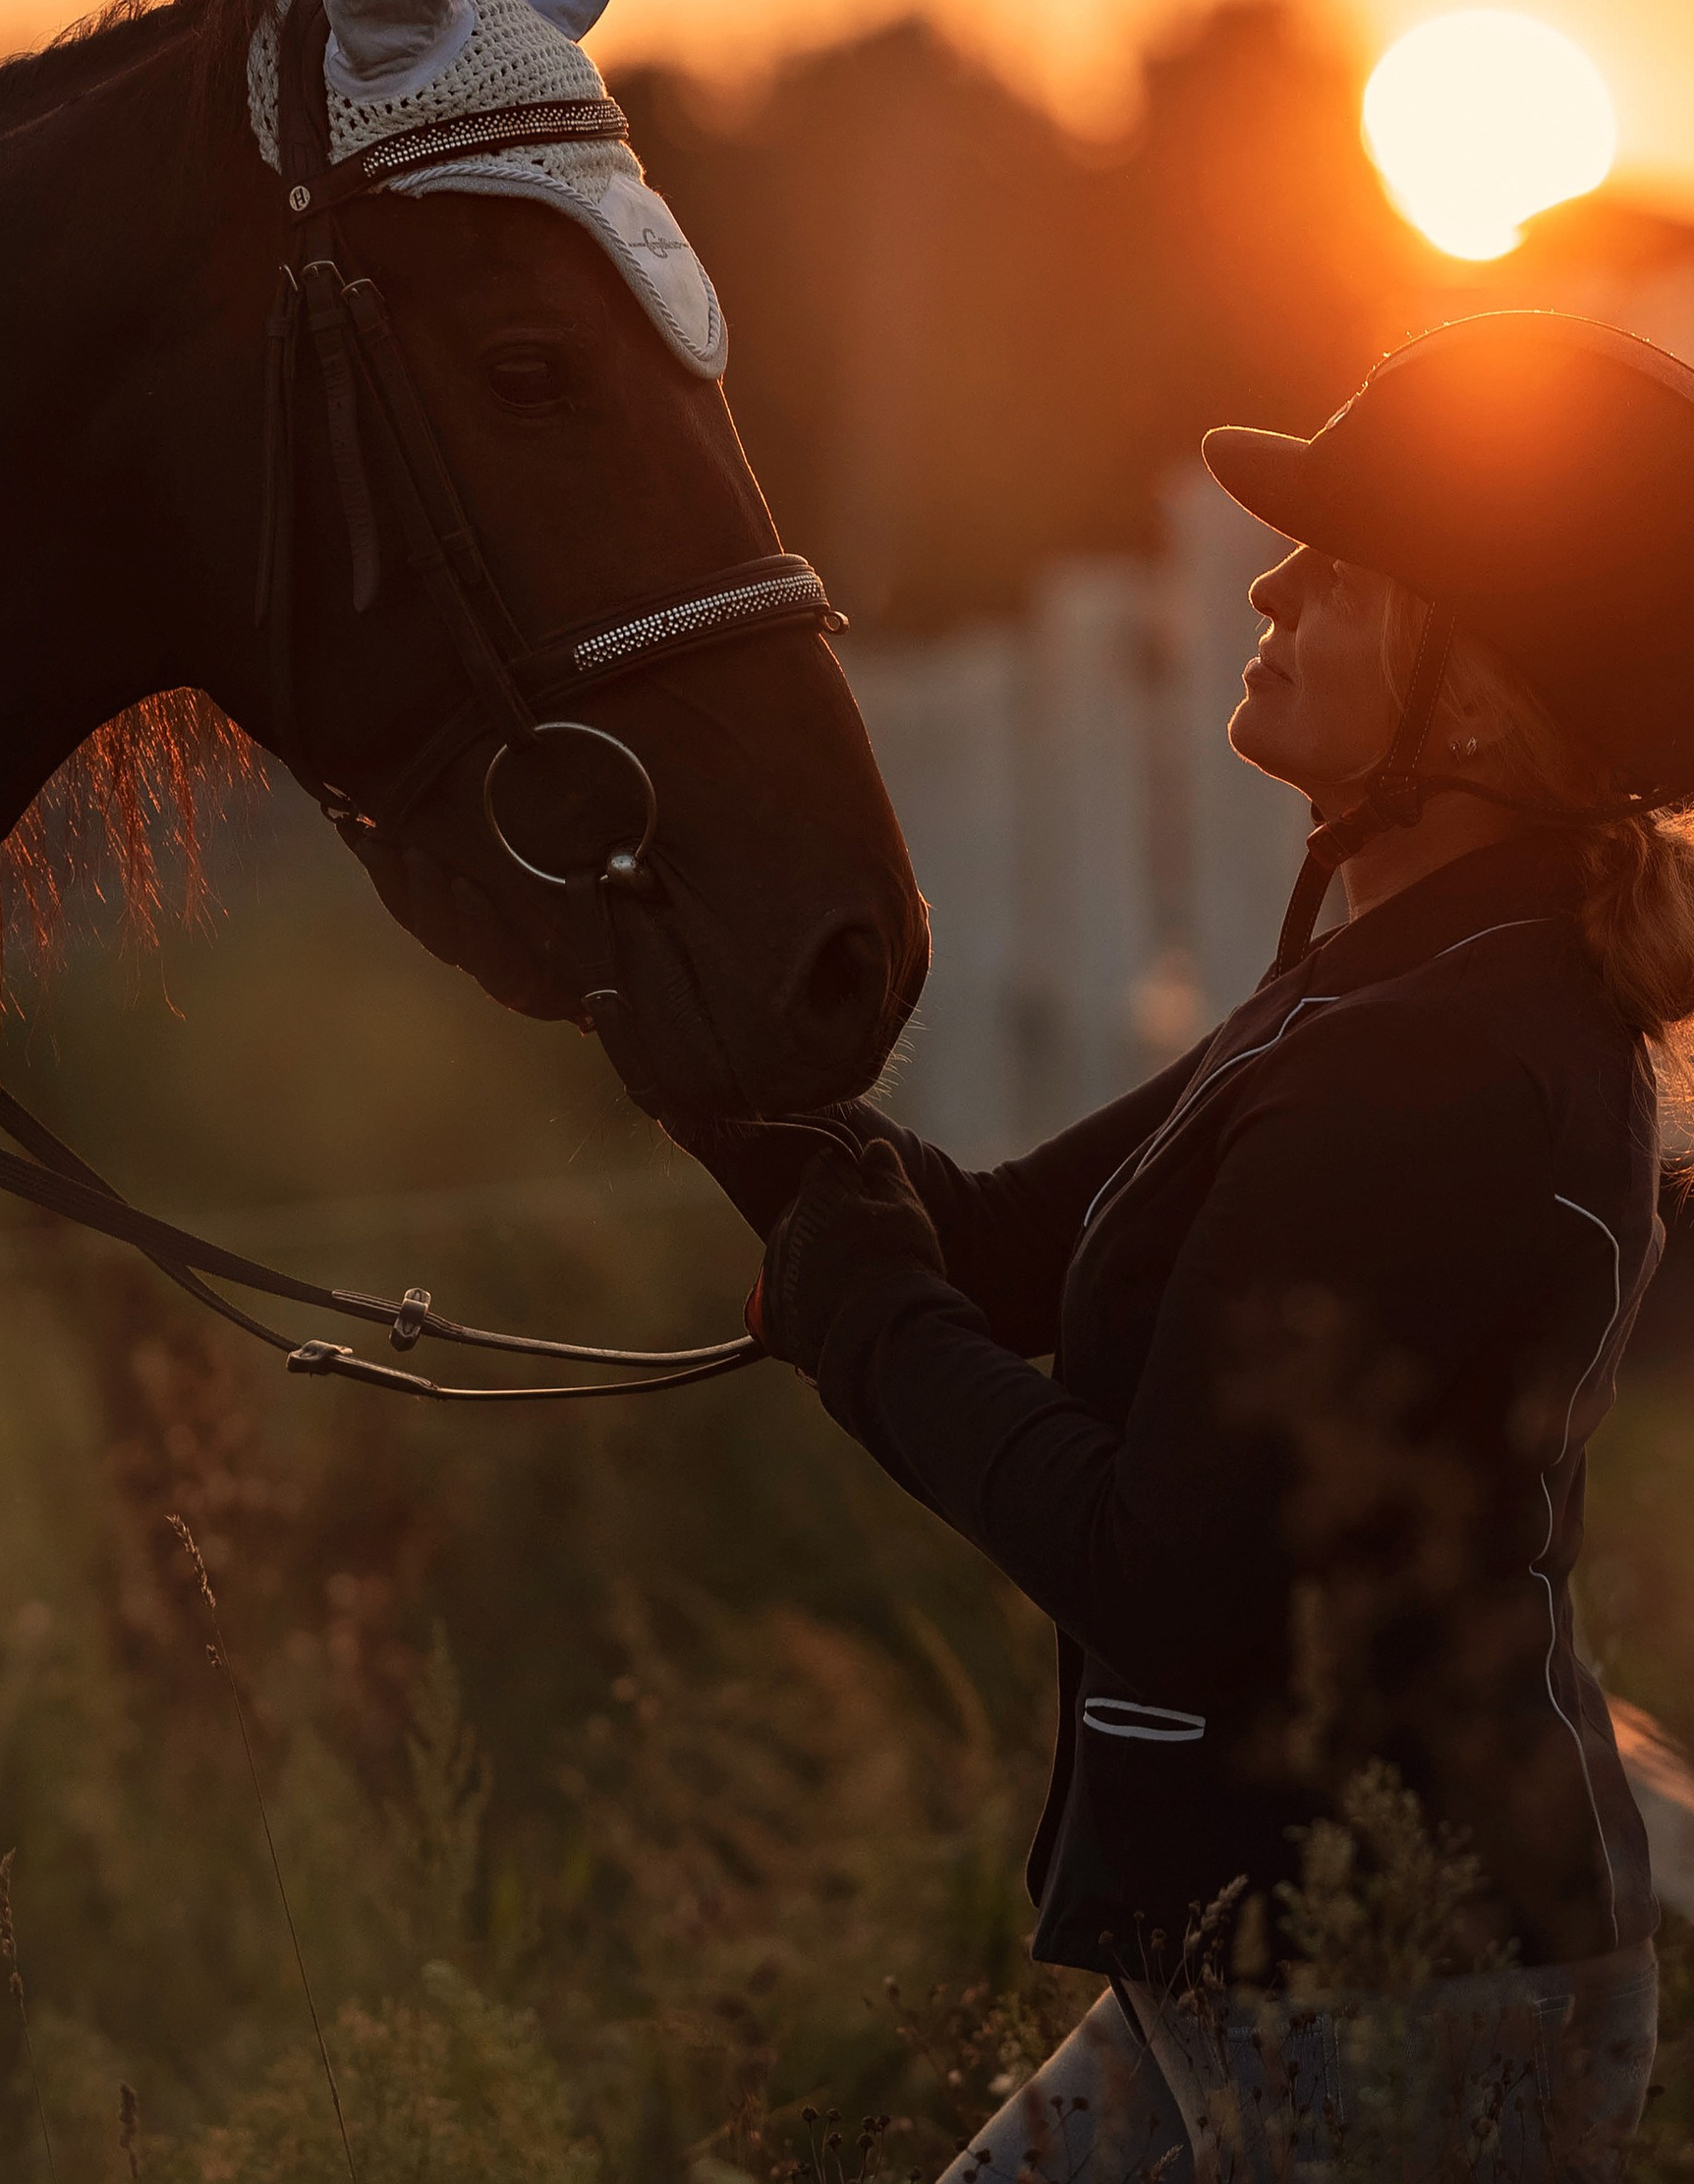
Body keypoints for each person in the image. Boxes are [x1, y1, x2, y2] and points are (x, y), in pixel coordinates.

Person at [708, 312, 1694, 2181]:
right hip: (1286, 1961)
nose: (1272, 585)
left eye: (1337, 565)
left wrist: (861, 1329)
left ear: (1471, 689)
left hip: (1394, 2006)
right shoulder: (1396, 988)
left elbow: (1157, 1567)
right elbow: (995, 1247)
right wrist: (680, 1015)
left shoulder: (1441, 1069)